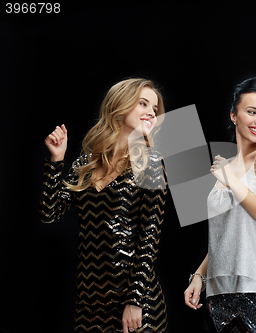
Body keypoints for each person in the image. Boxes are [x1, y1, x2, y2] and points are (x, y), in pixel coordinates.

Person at [39, 78, 168, 333]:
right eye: (143, 103)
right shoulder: (86, 162)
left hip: (136, 301)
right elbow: (49, 213)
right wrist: (56, 160)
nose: (152, 112)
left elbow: (149, 238)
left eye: (155, 108)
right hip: (90, 302)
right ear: (120, 105)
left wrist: (135, 300)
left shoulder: (151, 163)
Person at [183, 77, 256, 333]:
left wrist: (231, 181)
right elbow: (228, 236)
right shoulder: (227, 166)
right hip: (219, 293)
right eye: (252, 112)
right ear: (234, 115)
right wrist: (199, 275)